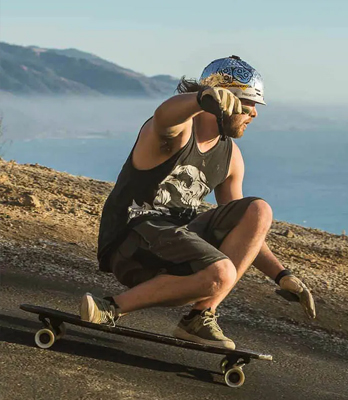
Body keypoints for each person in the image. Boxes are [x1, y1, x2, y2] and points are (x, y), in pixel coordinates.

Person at [80, 55, 316, 350]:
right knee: (222, 272)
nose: (254, 114)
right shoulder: (177, 132)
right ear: (223, 101)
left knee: (258, 210)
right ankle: (111, 307)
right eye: (248, 104)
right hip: (133, 242)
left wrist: (282, 275)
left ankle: (200, 317)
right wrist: (201, 98)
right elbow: (164, 115)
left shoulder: (231, 157)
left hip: (176, 242)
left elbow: (247, 234)